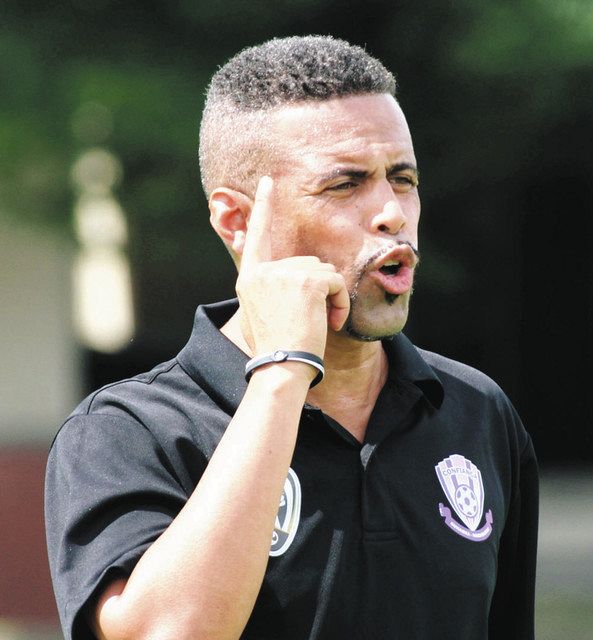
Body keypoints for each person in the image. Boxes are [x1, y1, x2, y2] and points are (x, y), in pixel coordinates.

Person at [45, 35, 538, 640]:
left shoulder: (477, 410)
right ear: (237, 221)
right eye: (345, 184)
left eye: (402, 178)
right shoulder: (127, 432)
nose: (392, 212)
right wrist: (283, 372)